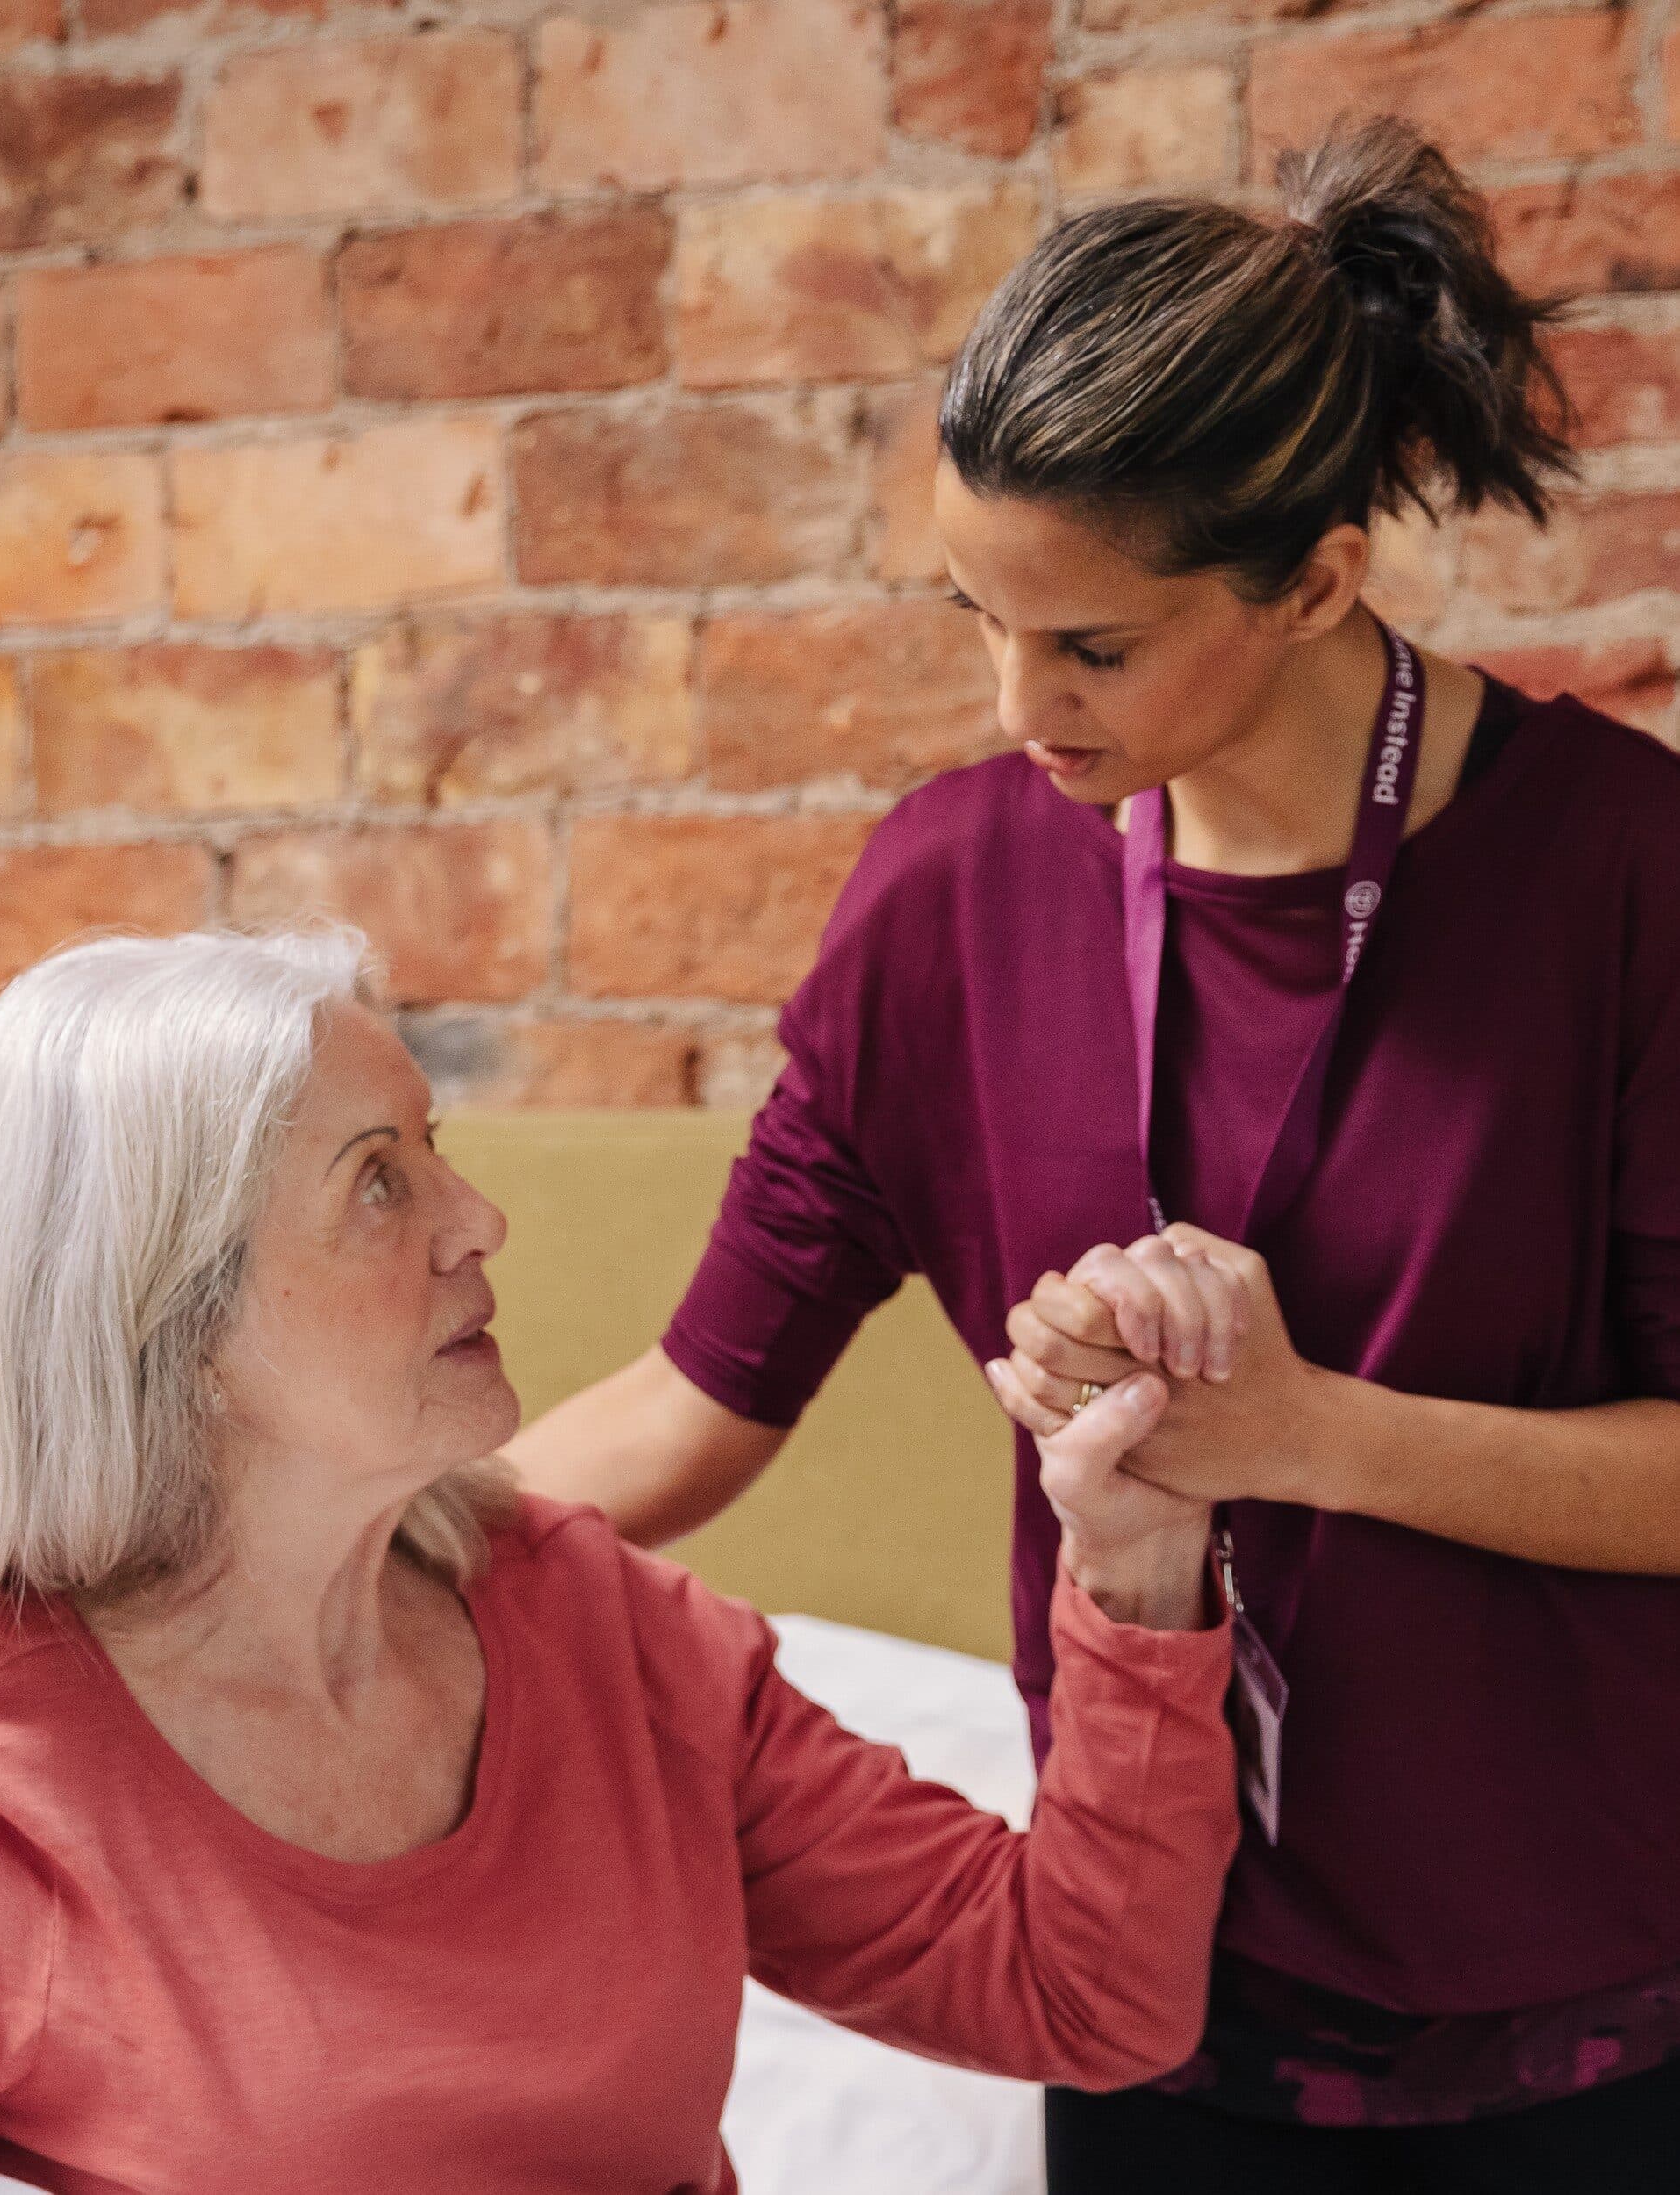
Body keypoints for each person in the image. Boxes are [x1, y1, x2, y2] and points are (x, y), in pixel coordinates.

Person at [510, 115, 1680, 2190]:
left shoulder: (1622, 871)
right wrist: (219, 1562)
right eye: (974, 614)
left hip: (1586, 2034)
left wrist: (1302, 1431)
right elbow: (694, 1406)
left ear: (1318, 579)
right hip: (1142, 2014)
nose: (1014, 701)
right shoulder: (943, 894)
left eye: (1091, 645)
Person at [0, 927, 1241, 2195]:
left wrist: (1141, 1563)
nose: (477, 1220)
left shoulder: (602, 1626)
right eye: (381, 1182)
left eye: (435, 1144)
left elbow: (1080, 1998)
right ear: (174, 1315)